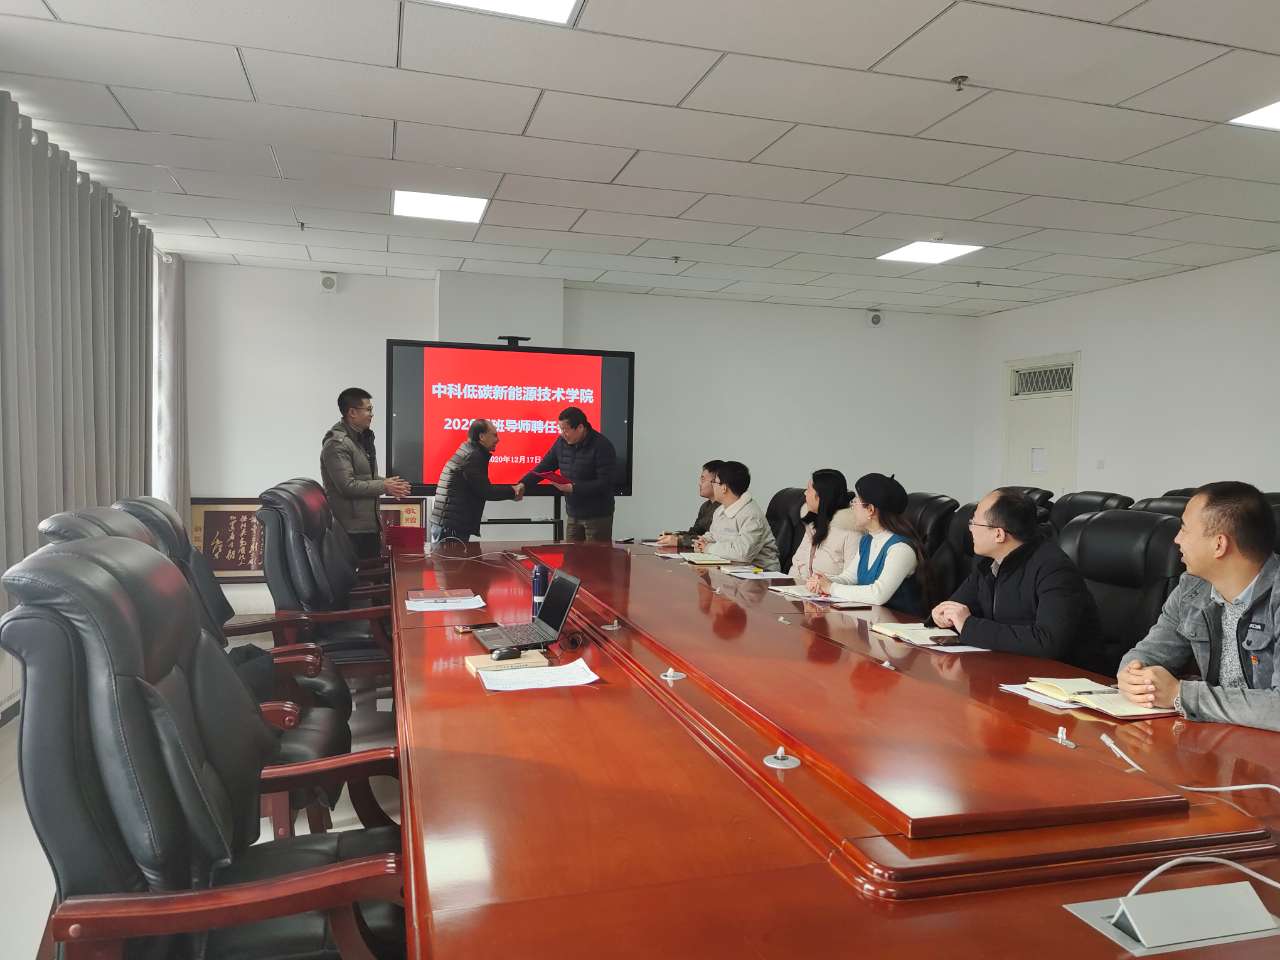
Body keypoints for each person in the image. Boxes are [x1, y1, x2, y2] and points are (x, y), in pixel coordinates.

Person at [1117, 482, 1279, 732]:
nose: (1176, 539)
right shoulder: (1192, 589)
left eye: (1184, 529)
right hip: (1217, 736)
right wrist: (1133, 677)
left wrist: (1181, 694)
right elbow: (1148, 654)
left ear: (1219, 545)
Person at [931, 488, 1103, 669]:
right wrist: (943, 615)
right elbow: (957, 607)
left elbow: (1048, 642)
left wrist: (968, 625)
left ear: (998, 534)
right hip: (1006, 666)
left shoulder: (1054, 568)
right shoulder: (987, 562)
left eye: (974, 522)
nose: (970, 528)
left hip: (1062, 676)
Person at [808, 473, 926, 612]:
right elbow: (850, 577)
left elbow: (878, 594)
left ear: (870, 510)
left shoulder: (901, 549)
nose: (852, 506)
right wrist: (824, 580)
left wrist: (831, 587)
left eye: (856, 501)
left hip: (898, 623)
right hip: (873, 619)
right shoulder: (868, 540)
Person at [320, 386, 409, 559]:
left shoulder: (361, 438)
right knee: (361, 574)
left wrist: (391, 484)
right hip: (350, 529)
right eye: (368, 409)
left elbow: (366, 477)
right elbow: (347, 485)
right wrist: (384, 486)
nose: (371, 414)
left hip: (366, 525)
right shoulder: (337, 444)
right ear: (352, 412)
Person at [520, 406, 618, 542]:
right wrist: (523, 484)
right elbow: (544, 466)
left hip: (598, 516)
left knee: (595, 555)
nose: (562, 434)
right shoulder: (561, 443)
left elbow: (605, 483)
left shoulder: (602, 446)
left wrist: (573, 488)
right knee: (571, 554)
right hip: (573, 513)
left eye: (565, 430)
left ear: (580, 427)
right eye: (561, 429)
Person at [428, 419, 524, 544]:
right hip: (452, 527)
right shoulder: (474, 456)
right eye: (494, 435)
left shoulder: (468, 450)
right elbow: (486, 491)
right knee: (453, 557)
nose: (498, 440)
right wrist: (513, 491)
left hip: (447, 523)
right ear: (482, 436)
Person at [694, 461, 780, 571]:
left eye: (714, 482)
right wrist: (702, 541)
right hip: (732, 569)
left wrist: (708, 547)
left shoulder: (751, 515)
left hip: (761, 573)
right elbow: (714, 535)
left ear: (724, 488)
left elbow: (743, 553)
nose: (712, 485)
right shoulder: (720, 510)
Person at [790, 468, 859, 582]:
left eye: (808, 490)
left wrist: (819, 585)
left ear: (821, 497)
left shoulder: (851, 530)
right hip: (802, 589)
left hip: (830, 592)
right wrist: (790, 587)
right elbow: (797, 563)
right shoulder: (813, 522)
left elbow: (851, 579)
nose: (805, 493)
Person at [657, 459, 724, 548]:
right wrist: (676, 536)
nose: (699, 484)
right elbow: (696, 532)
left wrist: (680, 541)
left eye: (703, 479)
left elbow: (712, 540)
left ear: (716, 481)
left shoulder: (724, 508)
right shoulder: (705, 506)